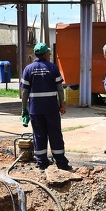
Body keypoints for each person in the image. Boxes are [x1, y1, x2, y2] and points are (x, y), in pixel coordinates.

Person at [20, 42, 69, 170]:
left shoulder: (28, 69)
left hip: (35, 109)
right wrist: (62, 104)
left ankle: (42, 163)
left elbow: (24, 92)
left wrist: (24, 108)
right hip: (51, 108)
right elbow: (60, 88)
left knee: (39, 135)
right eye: (48, 52)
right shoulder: (52, 68)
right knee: (55, 134)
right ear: (46, 54)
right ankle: (61, 162)